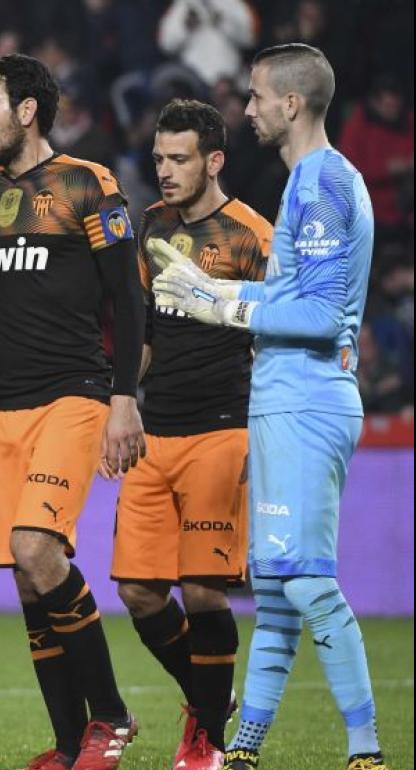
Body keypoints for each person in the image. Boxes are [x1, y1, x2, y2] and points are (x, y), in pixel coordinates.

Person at [151, 43, 389, 770]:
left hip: (304, 402)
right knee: (281, 592)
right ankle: (245, 749)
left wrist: (221, 304)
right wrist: (219, 291)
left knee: (310, 581)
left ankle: (366, 751)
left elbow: (319, 317)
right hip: (294, 400)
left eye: (256, 96)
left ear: (291, 104)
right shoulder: (321, 179)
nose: (246, 108)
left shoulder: (317, 186)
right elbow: (302, 301)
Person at [0, 54, 145, 770]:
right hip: (4, 405)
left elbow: (127, 298)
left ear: (27, 111)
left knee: (40, 550)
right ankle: (67, 746)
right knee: (27, 575)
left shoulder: (87, 186)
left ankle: (113, 718)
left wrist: (125, 398)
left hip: (75, 393)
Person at [112, 98, 270, 770]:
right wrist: (118, 398)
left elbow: (274, 339)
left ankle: (203, 735)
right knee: (139, 590)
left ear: (214, 161)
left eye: (179, 159)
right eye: (158, 159)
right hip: (157, 429)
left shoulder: (252, 236)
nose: (166, 171)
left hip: (222, 429)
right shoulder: (152, 225)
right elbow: (143, 330)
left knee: (203, 588)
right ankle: (210, 699)